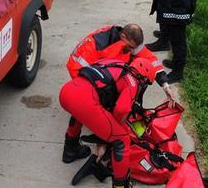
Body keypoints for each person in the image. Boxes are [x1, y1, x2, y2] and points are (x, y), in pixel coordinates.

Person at [63, 24, 175, 163]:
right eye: (130, 48)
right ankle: (84, 145)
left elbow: (147, 58)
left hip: (96, 75)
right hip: (82, 77)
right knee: (89, 108)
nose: (132, 52)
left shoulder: (126, 39)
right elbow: (78, 71)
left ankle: (72, 148)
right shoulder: (96, 45)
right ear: (123, 37)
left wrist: (165, 84)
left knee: (87, 109)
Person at [59, 57, 155, 188]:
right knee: (122, 140)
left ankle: (70, 151)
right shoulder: (133, 81)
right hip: (85, 100)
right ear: (144, 79)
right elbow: (121, 109)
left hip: (67, 91)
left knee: (79, 114)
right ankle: (120, 185)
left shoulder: (117, 64)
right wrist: (110, 136)